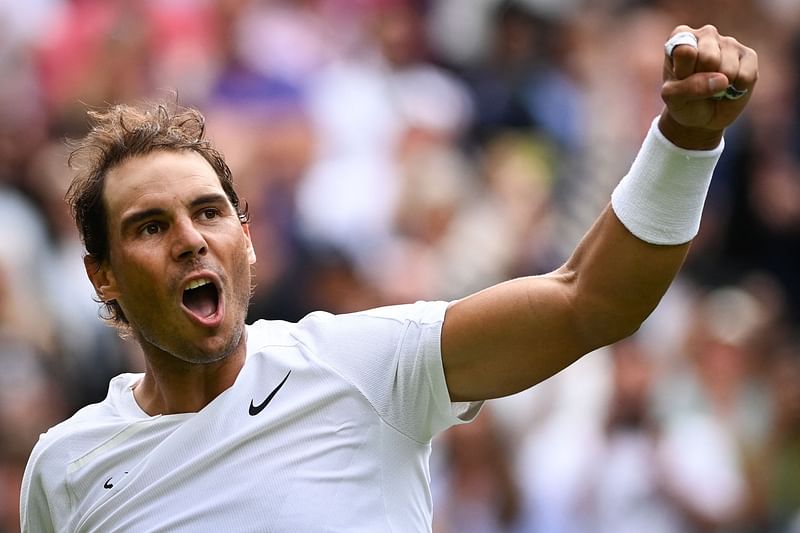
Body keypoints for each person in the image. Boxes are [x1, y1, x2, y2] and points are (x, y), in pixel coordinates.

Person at [20, 24, 757, 532]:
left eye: (209, 212)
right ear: (103, 276)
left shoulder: (364, 365)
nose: (189, 240)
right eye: (150, 226)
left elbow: (591, 301)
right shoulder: (65, 466)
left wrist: (687, 141)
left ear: (246, 240)